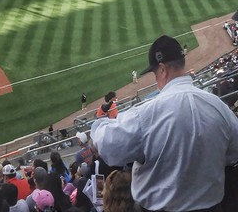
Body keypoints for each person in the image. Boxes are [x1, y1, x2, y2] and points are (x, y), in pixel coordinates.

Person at [91, 34, 238, 212]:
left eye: (154, 73)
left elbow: (108, 146)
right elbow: (233, 154)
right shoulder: (219, 107)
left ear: (162, 69)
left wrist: (98, 125)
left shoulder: (147, 113)